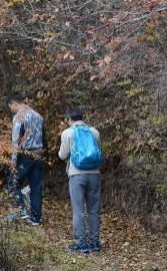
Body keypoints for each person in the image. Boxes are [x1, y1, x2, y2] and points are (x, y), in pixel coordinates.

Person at [58, 108, 102, 254]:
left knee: (78, 211)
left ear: (69, 119)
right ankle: (95, 243)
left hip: (76, 175)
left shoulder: (67, 133)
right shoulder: (94, 132)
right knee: (94, 210)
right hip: (94, 174)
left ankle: (81, 244)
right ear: (83, 118)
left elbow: (62, 155)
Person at [6, 92, 45, 226]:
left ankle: (20, 210)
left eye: (10, 106)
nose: (11, 109)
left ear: (14, 103)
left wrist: (13, 159)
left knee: (13, 182)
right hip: (39, 154)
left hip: (25, 155)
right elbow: (43, 138)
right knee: (36, 187)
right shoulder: (38, 116)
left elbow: (16, 141)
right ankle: (36, 218)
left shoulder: (19, 117)